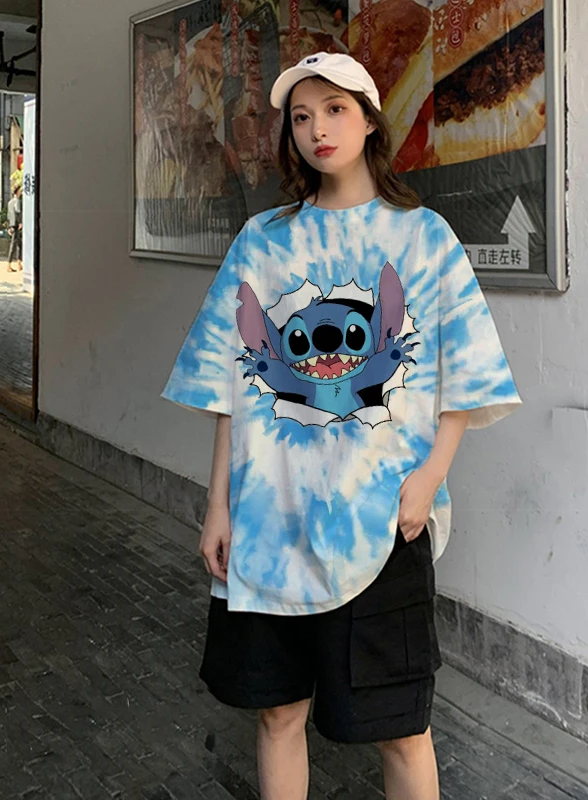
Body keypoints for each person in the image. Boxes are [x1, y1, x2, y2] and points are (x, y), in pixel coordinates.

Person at [162, 52, 522, 800]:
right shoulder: (263, 241)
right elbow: (233, 384)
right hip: (271, 520)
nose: (317, 129)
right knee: (277, 714)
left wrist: (429, 478)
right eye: (301, 116)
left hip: (383, 519)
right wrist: (218, 504)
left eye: (334, 110)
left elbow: (469, 370)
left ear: (369, 122)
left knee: (401, 727)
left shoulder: (423, 238)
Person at [7, 184, 23, 273]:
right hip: (16, 225)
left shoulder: (10, 202)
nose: (21, 192)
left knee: (19, 244)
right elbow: (18, 212)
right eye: (20, 191)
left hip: (12, 224)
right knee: (13, 245)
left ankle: (19, 263)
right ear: (17, 192)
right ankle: (9, 265)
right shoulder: (18, 201)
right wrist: (20, 222)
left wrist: (9, 226)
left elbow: (9, 215)